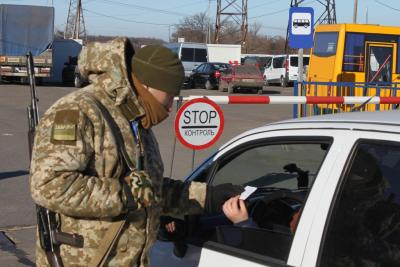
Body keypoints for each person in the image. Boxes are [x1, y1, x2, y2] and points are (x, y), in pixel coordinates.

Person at [29, 37, 242, 267]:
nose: (171, 106)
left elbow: (151, 189)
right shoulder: (79, 111)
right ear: (147, 86)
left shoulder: (136, 118)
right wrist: (126, 194)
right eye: (169, 96)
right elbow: (49, 185)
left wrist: (209, 197)